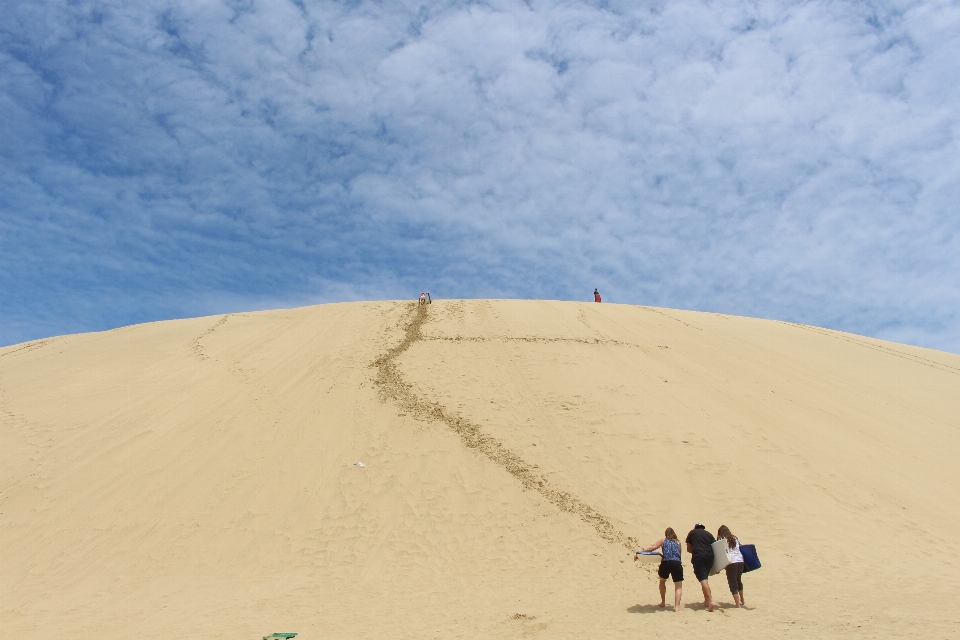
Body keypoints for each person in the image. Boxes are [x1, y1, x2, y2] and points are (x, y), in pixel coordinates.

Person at [637, 527, 683, 611]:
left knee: (662, 581)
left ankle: (663, 602)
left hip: (666, 563)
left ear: (666, 534)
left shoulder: (663, 540)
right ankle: (677, 607)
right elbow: (679, 555)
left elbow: (652, 548)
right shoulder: (678, 542)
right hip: (676, 563)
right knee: (678, 586)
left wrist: (639, 553)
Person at [685, 523, 717, 611]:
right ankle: (706, 600)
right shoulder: (709, 534)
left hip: (699, 557)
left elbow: (688, 549)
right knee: (705, 578)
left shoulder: (692, 533)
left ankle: (710, 601)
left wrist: (696, 551)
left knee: (702, 579)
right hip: (710, 557)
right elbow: (716, 547)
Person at [717, 525, 745, 607]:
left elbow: (721, 553)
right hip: (740, 561)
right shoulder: (735, 538)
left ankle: (737, 604)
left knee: (732, 582)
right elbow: (742, 547)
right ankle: (742, 600)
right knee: (738, 580)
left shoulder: (722, 539)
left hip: (731, 562)